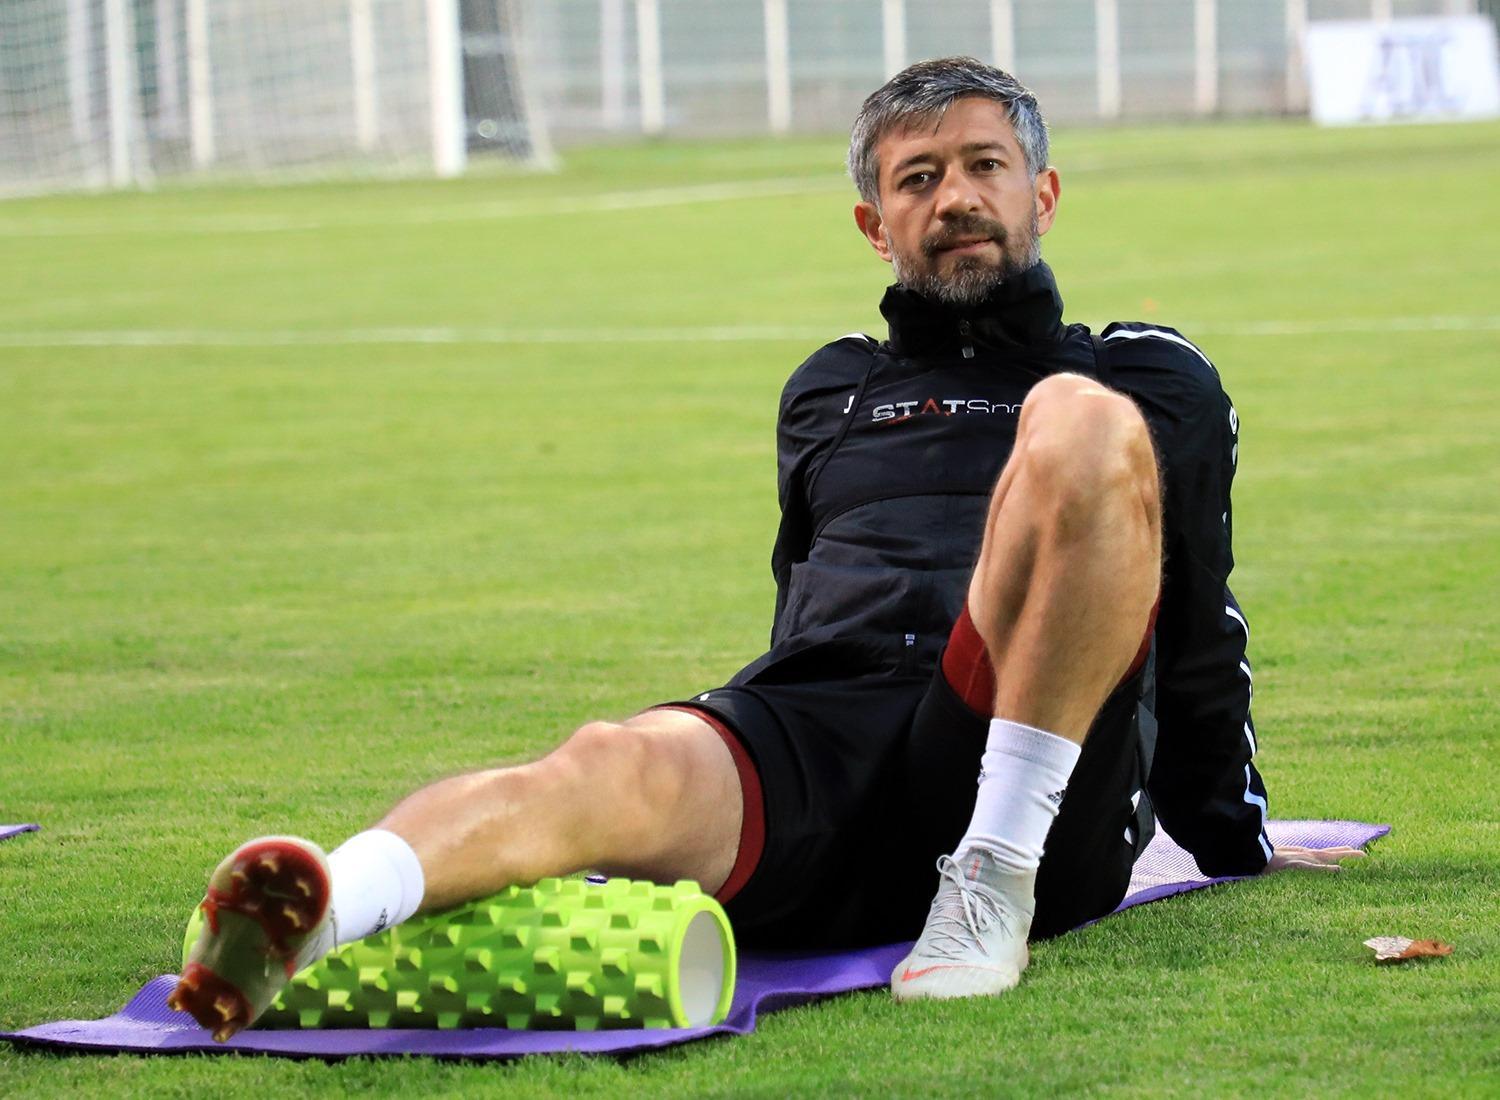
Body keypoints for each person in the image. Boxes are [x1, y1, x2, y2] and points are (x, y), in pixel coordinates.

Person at [169, 57, 1361, 1041]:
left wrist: (1231, 836)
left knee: (1078, 423)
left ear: (1042, 192)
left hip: (1022, 753)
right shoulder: (829, 386)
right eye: (919, 177)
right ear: (875, 222)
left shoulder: (1142, 373)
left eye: (984, 166)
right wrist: (728, 761)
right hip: (831, 729)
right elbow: (805, 599)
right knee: (606, 758)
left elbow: (1198, 624)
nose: (955, 196)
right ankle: (319, 910)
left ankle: (986, 880)